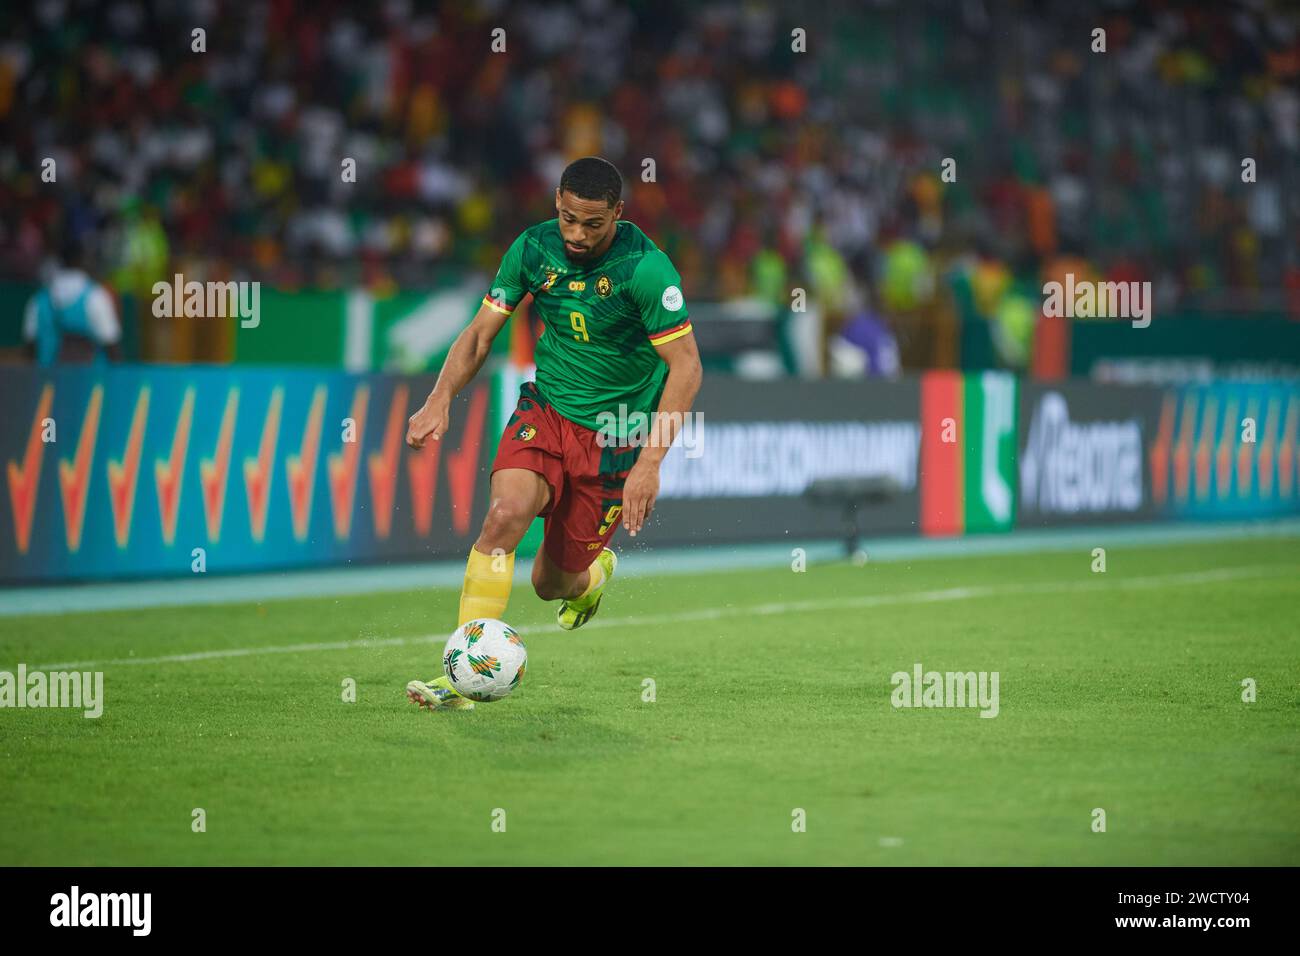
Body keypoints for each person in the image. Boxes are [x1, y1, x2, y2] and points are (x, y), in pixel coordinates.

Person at [403, 157, 703, 711]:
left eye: (592, 224)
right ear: (556, 205)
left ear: (618, 212)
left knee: (551, 583)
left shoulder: (646, 268)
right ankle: (461, 677)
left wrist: (650, 463)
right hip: (547, 411)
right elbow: (478, 336)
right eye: (567, 218)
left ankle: (592, 577)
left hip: (616, 438)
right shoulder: (533, 249)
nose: (576, 235)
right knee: (503, 516)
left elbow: (686, 367)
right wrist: (439, 398)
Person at [24, 239, 123, 365]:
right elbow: (112, 345)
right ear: (82, 260)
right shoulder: (96, 296)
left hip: (47, 381)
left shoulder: (38, 300)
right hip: (91, 381)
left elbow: (30, 348)